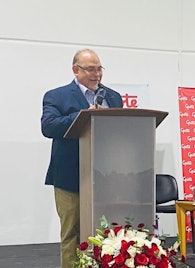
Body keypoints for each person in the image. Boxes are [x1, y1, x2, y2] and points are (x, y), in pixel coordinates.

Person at [41, 49, 123, 267]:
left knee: (106, 232)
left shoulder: (113, 96)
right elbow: (48, 127)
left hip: (105, 176)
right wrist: (82, 115)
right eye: (90, 69)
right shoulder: (56, 95)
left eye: (99, 69)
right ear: (75, 70)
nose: (96, 74)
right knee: (72, 233)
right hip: (69, 177)